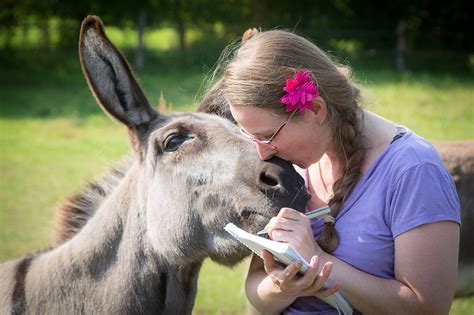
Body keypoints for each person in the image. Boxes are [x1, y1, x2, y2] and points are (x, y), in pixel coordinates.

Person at [209, 29, 461, 314]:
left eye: (267, 136)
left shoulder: (414, 170)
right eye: (249, 136)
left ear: (315, 109)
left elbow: (427, 308)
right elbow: (255, 288)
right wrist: (283, 287)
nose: (262, 153)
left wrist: (315, 258)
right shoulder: (291, 164)